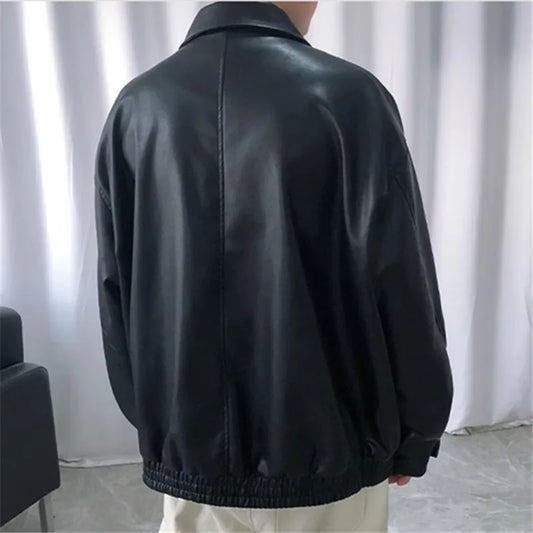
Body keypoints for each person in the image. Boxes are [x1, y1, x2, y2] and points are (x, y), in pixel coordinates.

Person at [94, 1, 454, 531]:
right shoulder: (348, 96)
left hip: (189, 453)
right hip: (329, 450)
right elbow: (402, 280)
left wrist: (164, 429)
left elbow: (117, 290)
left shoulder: (136, 106)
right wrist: (417, 429)